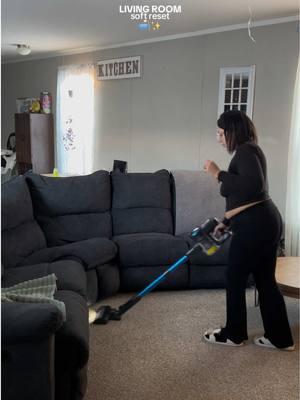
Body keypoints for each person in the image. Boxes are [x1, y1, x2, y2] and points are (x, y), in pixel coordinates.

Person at [202, 110, 294, 350]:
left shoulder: (245, 151)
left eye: (221, 133)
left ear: (232, 132)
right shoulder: (250, 150)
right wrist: (227, 220)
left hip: (256, 224)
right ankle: (280, 338)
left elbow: (254, 185)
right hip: (262, 220)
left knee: (234, 277)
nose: (219, 138)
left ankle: (233, 334)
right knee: (265, 280)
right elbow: (248, 196)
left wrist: (217, 173)